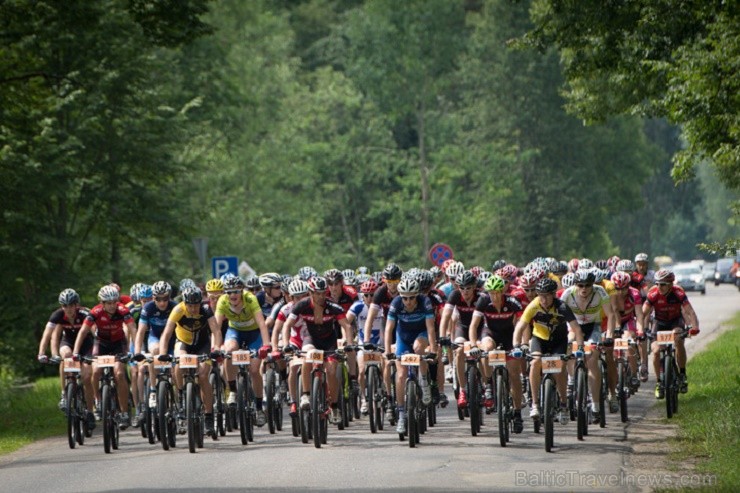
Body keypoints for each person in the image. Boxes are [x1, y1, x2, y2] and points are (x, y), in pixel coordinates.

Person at [513, 278, 585, 425]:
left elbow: (577, 329)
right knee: (535, 362)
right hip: (539, 340)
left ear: (553, 295)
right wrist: (516, 345)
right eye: (540, 295)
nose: (543, 299)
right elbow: (520, 327)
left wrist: (581, 348)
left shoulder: (562, 307)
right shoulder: (534, 305)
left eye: (546, 295)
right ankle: (535, 403)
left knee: (559, 369)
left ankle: (564, 404)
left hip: (559, 341)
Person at [283, 276, 353, 424]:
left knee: (332, 371)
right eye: (317, 293)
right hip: (311, 339)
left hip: (329, 341)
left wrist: (348, 344)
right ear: (310, 293)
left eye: (323, 292)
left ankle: (334, 406)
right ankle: (306, 395)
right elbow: (287, 325)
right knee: (308, 356)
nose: (321, 296)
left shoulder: (332, 306)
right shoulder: (302, 305)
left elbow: (346, 326)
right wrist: (285, 344)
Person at [154, 286, 222, 438]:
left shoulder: (206, 309)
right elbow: (166, 333)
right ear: (185, 303)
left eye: (195, 305)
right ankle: (180, 395)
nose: (192, 309)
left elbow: (216, 331)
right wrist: (163, 354)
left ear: (200, 303)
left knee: (204, 376)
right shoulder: (178, 309)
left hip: (202, 345)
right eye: (189, 305)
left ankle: (209, 416)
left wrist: (216, 348)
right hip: (183, 343)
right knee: (178, 363)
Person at [73, 285, 136, 429]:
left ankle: (125, 413)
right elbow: (83, 332)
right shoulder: (95, 312)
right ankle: (98, 401)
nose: (112, 305)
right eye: (108, 303)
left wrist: (135, 350)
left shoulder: (123, 310)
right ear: (102, 303)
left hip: (118, 344)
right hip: (100, 344)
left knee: (119, 373)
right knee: (95, 371)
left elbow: (133, 329)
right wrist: (76, 351)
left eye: (114, 302)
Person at [467, 275, 525, 432]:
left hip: (509, 335)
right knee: (486, 349)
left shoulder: (513, 302)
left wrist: (521, 344)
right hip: (490, 332)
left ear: (503, 291)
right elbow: (473, 326)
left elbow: (521, 325)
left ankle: (518, 412)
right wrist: (473, 345)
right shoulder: (483, 302)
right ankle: (488, 385)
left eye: (497, 292)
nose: (495, 296)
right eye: (491, 293)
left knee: (514, 373)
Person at [560, 269, 617, 422]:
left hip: (594, 327)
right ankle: (572, 379)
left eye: (587, 285)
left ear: (593, 285)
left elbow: (610, 315)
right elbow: (558, 316)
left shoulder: (600, 292)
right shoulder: (567, 294)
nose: (584, 289)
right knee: (569, 345)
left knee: (592, 360)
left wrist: (610, 335)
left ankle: (596, 405)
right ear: (575, 285)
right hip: (574, 326)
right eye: (580, 285)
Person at [215, 275, 271, 427]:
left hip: (254, 334)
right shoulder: (222, 301)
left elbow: (261, 323)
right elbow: (216, 327)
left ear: (242, 291)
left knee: (254, 370)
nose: (233, 295)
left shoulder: (250, 299)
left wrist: (266, 345)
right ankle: (232, 390)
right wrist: (215, 347)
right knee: (228, 351)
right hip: (235, 332)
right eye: (229, 292)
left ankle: (259, 408)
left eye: (236, 291)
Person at [384, 278, 437, 435]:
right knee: (400, 375)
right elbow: (388, 329)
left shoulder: (425, 301)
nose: (408, 301)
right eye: (404, 297)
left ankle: (425, 382)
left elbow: (430, 328)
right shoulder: (396, 303)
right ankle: (401, 414)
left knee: (419, 347)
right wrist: (388, 352)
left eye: (411, 297)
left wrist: (433, 349)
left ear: (417, 295)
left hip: (421, 334)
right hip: (403, 337)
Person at [38, 289, 96, 429]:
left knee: (87, 377)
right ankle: (65, 394)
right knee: (65, 356)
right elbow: (48, 335)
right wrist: (41, 353)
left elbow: (95, 331)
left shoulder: (85, 313)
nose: (68, 309)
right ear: (61, 306)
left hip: (86, 345)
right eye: (65, 306)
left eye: (71, 305)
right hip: (68, 343)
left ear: (77, 305)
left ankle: (89, 411)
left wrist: (98, 349)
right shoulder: (57, 315)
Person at [642, 269, 700, 397]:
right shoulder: (653, 294)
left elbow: (690, 311)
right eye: (657, 284)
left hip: (675, 321)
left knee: (678, 338)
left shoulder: (678, 293)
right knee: (656, 351)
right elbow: (643, 313)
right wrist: (640, 330)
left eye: (663, 284)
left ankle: (682, 373)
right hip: (659, 323)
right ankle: (659, 383)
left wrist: (694, 327)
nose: (659, 287)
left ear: (670, 284)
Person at [348, 278, 385, 414]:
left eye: (372, 295)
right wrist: (347, 339)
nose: (369, 298)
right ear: (362, 295)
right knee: (362, 370)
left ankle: (385, 391)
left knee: (384, 367)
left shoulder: (381, 306)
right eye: (366, 295)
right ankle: (364, 398)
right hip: (364, 343)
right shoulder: (358, 306)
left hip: (380, 343)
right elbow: (346, 322)